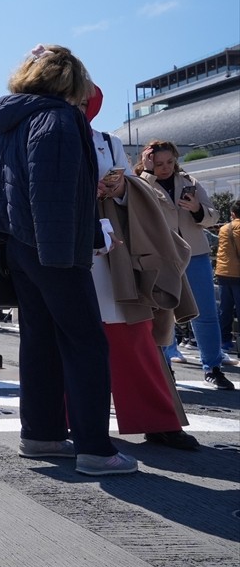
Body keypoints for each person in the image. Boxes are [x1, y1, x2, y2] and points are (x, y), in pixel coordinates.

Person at [0, 43, 137, 476]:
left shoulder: (11, 121)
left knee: (39, 340)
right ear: (71, 81)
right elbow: (53, 194)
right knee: (86, 343)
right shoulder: (59, 119)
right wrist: (70, 254)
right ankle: (94, 448)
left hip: (18, 246)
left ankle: (42, 433)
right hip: (53, 249)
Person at [82, 85, 199, 450]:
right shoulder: (36, 133)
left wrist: (118, 187)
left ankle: (157, 420)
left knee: (133, 335)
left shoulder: (105, 140)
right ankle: (64, 423)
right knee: (68, 340)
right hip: (64, 248)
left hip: (110, 251)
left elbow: (130, 187)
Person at [136, 140, 234, 390]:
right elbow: (137, 208)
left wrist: (197, 209)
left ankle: (212, 367)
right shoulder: (141, 182)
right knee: (162, 313)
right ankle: (165, 364)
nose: (165, 168)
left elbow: (213, 216)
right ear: (148, 161)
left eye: (169, 162)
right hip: (159, 256)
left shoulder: (190, 181)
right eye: (158, 163)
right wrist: (147, 174)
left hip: (195, 254)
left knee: (206, 313)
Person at [218, 201, 240, 354]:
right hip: (238, 275)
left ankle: (224, 341)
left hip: (223, 273)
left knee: (225, 309)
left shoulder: (224, 229)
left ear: (233, 213)